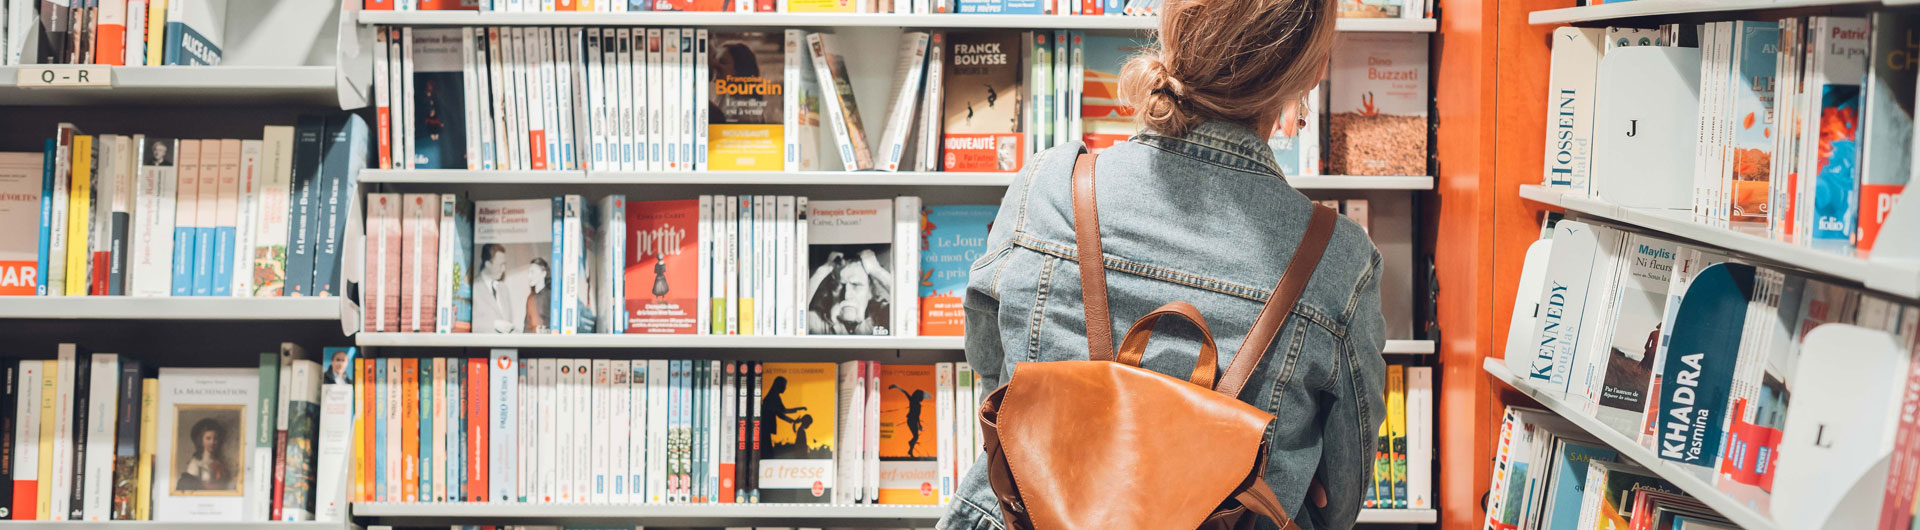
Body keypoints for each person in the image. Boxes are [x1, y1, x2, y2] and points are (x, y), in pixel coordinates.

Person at [938, 0, 1386, 526]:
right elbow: (1342, 490)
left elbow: (992, 366)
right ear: (1313, 70)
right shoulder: (1337, 258)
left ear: (1169, 33)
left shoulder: (1053, 188)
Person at [805, 249, 892, 335]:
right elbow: (794, 315)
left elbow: (905, 306)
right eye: (839, 286)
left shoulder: (881, 319)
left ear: (871, 292)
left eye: (856, 285)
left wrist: (876, 270)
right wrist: (823, 270)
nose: (846, 295)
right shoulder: (819, 323)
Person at [177, 418, 234, 492]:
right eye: (208, 438)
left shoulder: (221, 462)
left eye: (215, 439)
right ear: (201, 440)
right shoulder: (196, 463)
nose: (212, 442)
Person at [471, 244, 517, 333]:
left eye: (505, 264)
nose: (504, 269)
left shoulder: (504, 289)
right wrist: (494, 325)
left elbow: (510, 324)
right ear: (488, 264)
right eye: (501, 265)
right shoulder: (472, 287)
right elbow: (468, 326)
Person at [888, 384, 930, 458]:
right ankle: (910, 446)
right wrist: (896, 386)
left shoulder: (915, 402)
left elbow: (917, 416)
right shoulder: (914, 401)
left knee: (916, 436)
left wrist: (920, 426)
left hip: (911, 421)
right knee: (916, 436)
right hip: (911, 420)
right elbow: (905, 392)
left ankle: (910, 449)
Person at [525, 257, 551, 334]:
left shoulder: (551, 296)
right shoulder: (530, 298)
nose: (529, 276)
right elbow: (526, 327)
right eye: (528, 272)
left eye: (532, 272)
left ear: (544, 273)